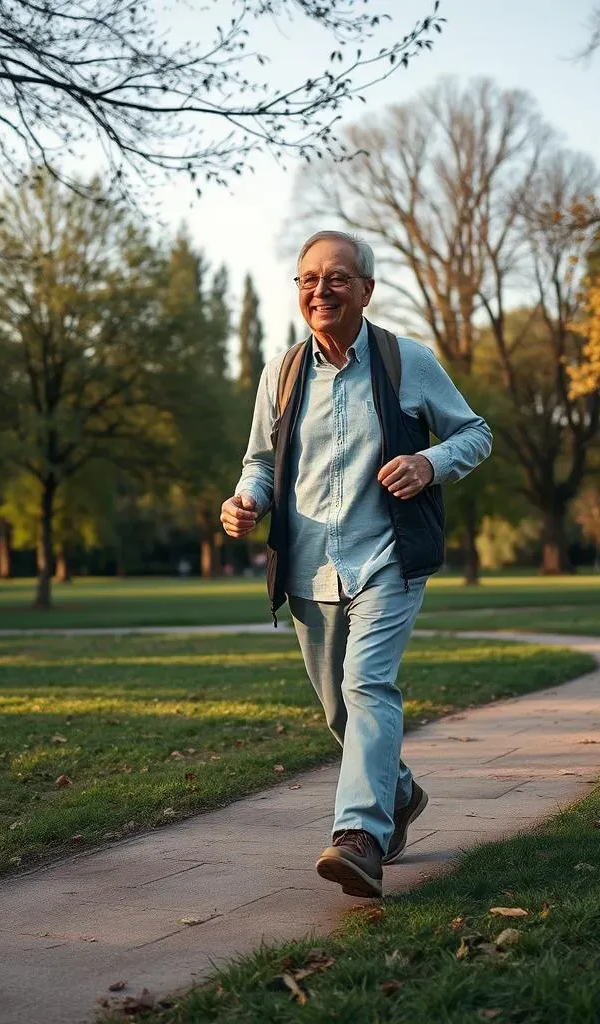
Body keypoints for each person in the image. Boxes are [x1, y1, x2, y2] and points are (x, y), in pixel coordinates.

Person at [220, 230, 492, 898]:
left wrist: (430, 463)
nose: (321, 290)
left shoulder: (406, 362)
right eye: (309, 279)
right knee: (339, 711)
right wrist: (246, 498)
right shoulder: (281, 373)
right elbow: (260, 461)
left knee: (368, 686)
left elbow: (475, 433)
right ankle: (398, 795)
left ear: (367, 290)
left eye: (337, 278)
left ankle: (359, 838)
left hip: (388, 560)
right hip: (309, 568)